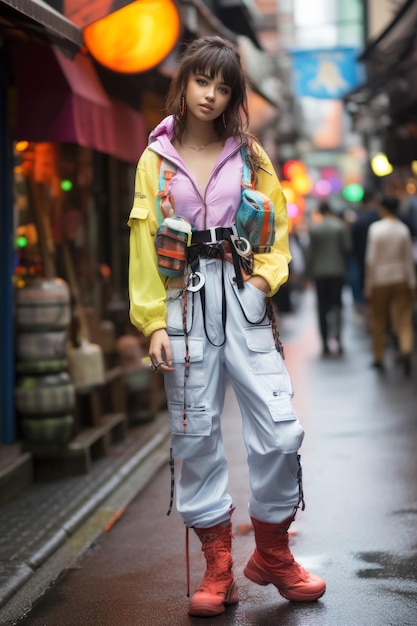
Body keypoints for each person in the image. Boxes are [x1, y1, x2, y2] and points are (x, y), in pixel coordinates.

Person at [128, 36, 326, 618]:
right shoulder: (152, 158)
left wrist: (261, 282)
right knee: (196, 436)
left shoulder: (251, 153)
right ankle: (219, 568)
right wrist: (151, 323)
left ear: (233, 94)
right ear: (183, 84)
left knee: (281, 427)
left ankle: (271, 553)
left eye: (222, 86)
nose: (211, 95)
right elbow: (143, 242)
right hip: (182, 304)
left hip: (243, 299)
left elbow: (278, 225)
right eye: (201, 82)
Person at [364, 195, 417, 376]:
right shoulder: (403, 230)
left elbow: (370, 260)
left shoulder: (376, 229)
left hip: (379, 279)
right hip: (401, 278)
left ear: (384, 209)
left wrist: (368, 284)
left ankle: (379, 357)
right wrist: (412, 283)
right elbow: (408, 260)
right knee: (403, 317)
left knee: (379, 319)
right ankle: (406, 348)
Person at [305, 201, 351, 356]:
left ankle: (324, 342)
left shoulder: (315, 228)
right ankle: (338, 339)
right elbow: (347, 248)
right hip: (337, 271)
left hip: (320, 273)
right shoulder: (339, 226)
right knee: (337, 305)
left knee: (322, 308)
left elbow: (310, 253)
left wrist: (308, 273)